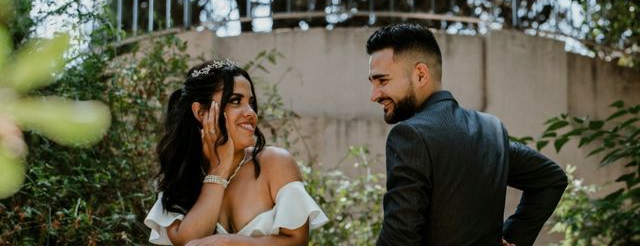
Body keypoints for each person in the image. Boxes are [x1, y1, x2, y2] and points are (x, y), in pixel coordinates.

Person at [366, 23, 568, 246]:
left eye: (382, 80)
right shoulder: (490, 130)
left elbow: (399, 238)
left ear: (420, 74)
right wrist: (514, 238)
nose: (374, 95)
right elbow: (551, 179)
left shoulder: (409, 135)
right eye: (372, 83)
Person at [145, 59, 328, 245]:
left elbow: (297, 241)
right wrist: (219, 171)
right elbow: (187, 241)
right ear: (201, 112)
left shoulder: (274, 163)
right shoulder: (181, 174)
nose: (250, 113)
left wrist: (227, 242)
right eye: (235, 101)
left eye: (251, 102)